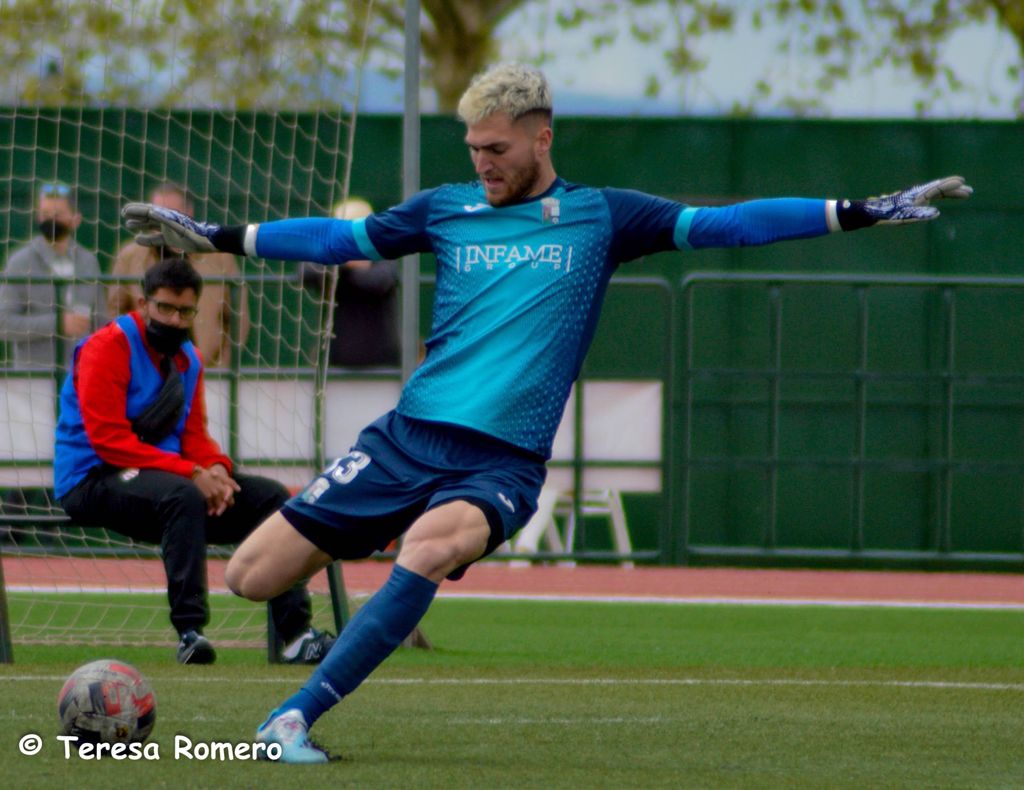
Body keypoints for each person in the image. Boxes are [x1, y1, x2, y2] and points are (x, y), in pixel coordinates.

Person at [122, 63, 973, 760]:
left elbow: (731, 225)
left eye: (497, 148)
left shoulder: (602, 217)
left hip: (500, 463)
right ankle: (365, 556)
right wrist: (217, 236)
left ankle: (294, 719)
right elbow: (339, 242)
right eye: (474, 148)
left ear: (542, 136)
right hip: (404, 440)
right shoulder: (446, 209)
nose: (483, 162)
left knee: (431, 544)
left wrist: (865, 210)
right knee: (251, 576)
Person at [54, 256, 333, 665]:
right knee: (183, 495)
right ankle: (190, 633)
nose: (173, 318)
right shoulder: (106, 347)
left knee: (270, 497)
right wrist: (194, 472)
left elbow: (194, 435)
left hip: (164, 478)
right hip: (91, 478)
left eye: (184, 311)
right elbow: (109, 442)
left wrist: (216, 469)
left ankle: (294, 636)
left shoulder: (189, 358)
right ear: (143, 303)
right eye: (164, 307)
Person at [109, 182, 249, 367]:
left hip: (207, 370)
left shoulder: (220, 257)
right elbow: (114, 312)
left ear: (188, 214)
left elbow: (238, 317)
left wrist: (223, 366)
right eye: (155, 214)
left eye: (169, 213)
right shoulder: (130, 256)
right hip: (144, 368)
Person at [0, 181, 104, 369]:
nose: (51, 221)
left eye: (58, 215)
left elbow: (101, 322)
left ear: (76, 219)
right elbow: (4, 324)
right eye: (45, 215)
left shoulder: (89, 263)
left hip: (81, 374)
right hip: (34, 378)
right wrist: (57, 323)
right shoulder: (20, 263)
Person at [299, 197, 400, 368]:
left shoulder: (382, 256)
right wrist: (343, 263)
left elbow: (378, 281)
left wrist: (352, 267)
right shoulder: (330, 261)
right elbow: (306, 271)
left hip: (382, 365)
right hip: (335, 364)